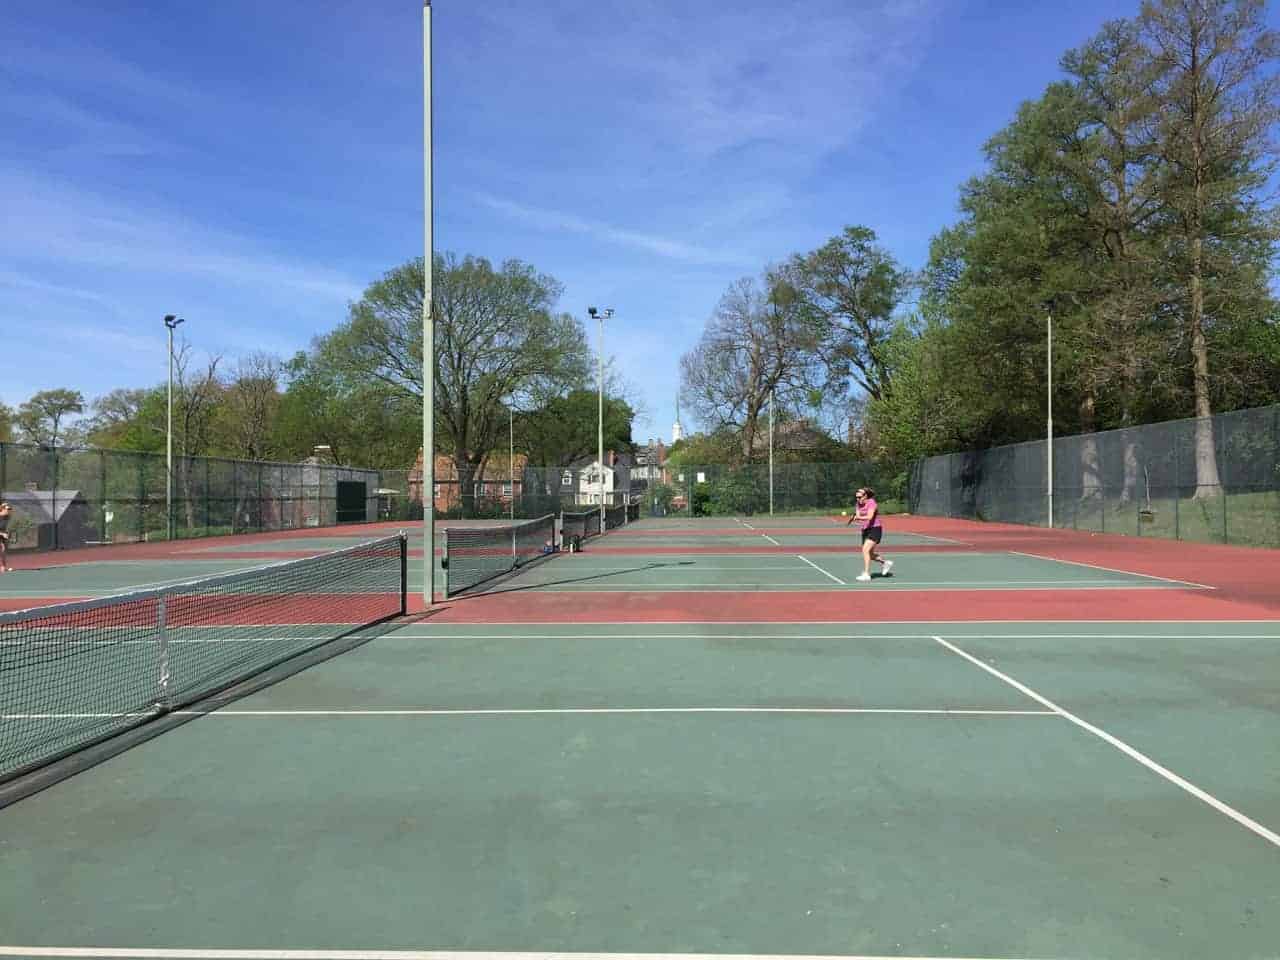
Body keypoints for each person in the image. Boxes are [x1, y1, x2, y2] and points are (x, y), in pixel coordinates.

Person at [846, 487, 892, 582]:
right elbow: (858, 514)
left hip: (875, 529)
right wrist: (855, 517)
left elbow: (870, 517)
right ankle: (885, 563)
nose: (858, 499)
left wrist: (857, 517)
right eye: (856, 497)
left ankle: (866, 574)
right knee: (869, 554)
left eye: (859, 497)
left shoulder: (872, 503)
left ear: (865, 496)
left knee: (865, 550)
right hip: (865, 530)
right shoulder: (858, 504)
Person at [0, 501, 12, 573]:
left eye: (9, 509)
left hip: (2, 535)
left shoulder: (7, 517)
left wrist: (6, 533)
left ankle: (3, 567)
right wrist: (2, 534)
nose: (9, 511)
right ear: (2, 509)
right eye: (7, 509)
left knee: (3, 550)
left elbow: (4, 528)